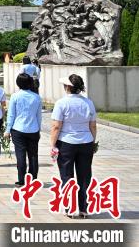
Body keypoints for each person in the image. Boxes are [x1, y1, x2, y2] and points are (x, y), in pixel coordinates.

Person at [50, 75, 96, 218]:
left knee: (67, 176)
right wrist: (92, 141)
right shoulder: (88, 103)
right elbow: (93, 125)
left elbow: (56, 126)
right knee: (84, 176)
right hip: (86, 142)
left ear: (68, 87)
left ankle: (69, 208)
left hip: (66, 143)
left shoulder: (61, 103)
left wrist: (52, 144)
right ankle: (83, 209)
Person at [5, 73, 42, 187]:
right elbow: (39, 116)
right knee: (33, 155)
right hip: (33, 129)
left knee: (20, 155)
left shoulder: (15, 96)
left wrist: (7, 130)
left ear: (18, 83)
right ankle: (33, 179)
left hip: (18, 129)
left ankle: (21, 179)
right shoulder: (36, 97)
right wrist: (39, 129)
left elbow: (11, 115)